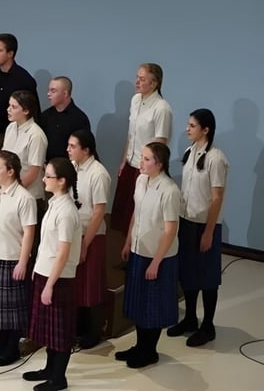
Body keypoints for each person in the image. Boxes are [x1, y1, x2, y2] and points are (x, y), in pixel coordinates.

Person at [167, 109, 228, 347]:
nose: (187, 128)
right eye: (188, 124)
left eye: (192, 125)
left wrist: (209, 232)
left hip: (204, 224)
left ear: (206, 129)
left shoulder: (216, 158)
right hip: (186, 221)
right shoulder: (189, 152)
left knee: (207, 276)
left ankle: (208, 325)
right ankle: (190, 318)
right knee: (189, 272)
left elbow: (217, 198)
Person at [116, 142, 180, 368]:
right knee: (138, 303)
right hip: (138, 250)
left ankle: (149, 351)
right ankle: (140, 346)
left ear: (159, 164)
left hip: (158, 256)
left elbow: (171, 230)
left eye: (146, 159)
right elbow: (137, 211)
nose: (140, 162)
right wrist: (128, 241)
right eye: (141, 157)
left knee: (153, 306)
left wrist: (156, 262)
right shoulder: (141, 180)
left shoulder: (169, 190)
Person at [23, 158, 82, 391]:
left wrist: (49, 284)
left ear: (62, 180)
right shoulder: (55, 203)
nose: (44, 179)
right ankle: (49, 369)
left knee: (61, 330)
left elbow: (63, 252)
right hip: (44, 272)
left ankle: (59, 377)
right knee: (48, 328)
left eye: (48, 176)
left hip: (58, 279)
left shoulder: (67, 211)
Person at [0, 150, 36, 366]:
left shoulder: (24, 198)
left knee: (12, 309)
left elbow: (29, 232)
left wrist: (22, 262)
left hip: (12, 258)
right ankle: (1, 344)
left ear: (11, 171)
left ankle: (11, 348)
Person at [111, 63, 172, 234]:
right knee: (120, 214)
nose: (137, 82)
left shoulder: (162, 108)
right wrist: (124, 160)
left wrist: (150, 172)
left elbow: (160, 145)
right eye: (137, 77)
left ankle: (132, 255)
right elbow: (131, 135)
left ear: (154, 84)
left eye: (142, 79)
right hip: (130, 163)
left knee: (135, 214)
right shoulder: (135, 100)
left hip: (145, 168)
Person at [67, 130, 111, 349]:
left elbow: (98, 211)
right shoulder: (73, 168)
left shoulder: (98, 173)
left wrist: (85, 243)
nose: (68, 150)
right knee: (76, 283)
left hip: (91, 234)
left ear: (87, 149)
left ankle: (94, 330)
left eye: (73, 146)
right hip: (74, 232)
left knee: (90, 283)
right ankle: (79, 327)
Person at [0, 33, 38, 188]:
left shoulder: (24, 79)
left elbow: (32, 109)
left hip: (14, 133)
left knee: (8, 175)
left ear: (10, 53)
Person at [3, 90, 48, 234]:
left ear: (26, 111)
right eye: (9, 105)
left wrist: (14, 190)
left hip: (29, 196)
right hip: (9, 191)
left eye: (14, 107)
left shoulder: (36, 135)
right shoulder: (10, 128)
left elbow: (34, 170)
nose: (8, 109)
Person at [39, 76, 91, 161]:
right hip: (47, 166)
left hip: (70, 168)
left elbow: (83, 148)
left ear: (65, 93)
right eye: (49, 90)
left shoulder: (80, 119)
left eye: (53, 91)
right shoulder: (45, 116)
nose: (48, 94)